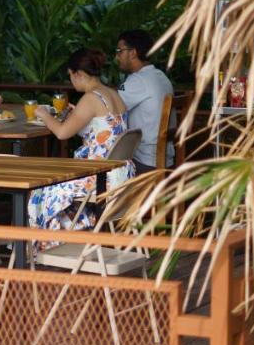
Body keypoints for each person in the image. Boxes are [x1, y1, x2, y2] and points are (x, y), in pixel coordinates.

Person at [28, 49, 136, 248]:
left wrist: (44, 115)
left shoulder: (90, 99)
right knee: (54, 182)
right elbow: (104, 133)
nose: (71, 81)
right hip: (122, 175)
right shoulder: (113, 94)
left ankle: (40, 244)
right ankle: (66, 237)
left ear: (78, 74)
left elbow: (61, 133)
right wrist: (77, 115)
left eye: (70, 76)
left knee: (41, 187)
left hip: (100, 178)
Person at [114, 29, 174, 173]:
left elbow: (109, 108)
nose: (117, 56)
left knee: (101, 164)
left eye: (119, 51)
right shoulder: (160, 76)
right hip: (166, 157)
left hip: (145, 161)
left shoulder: (138, 80)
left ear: (133, 52)